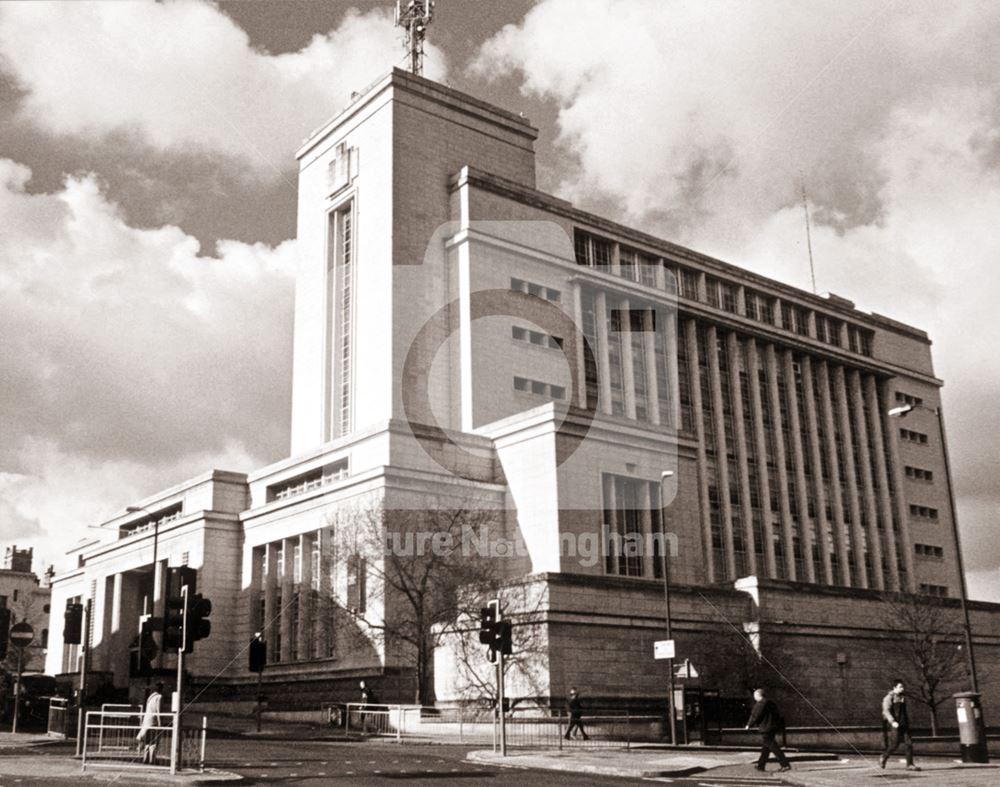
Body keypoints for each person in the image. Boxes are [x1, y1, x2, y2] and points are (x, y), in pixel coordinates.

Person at [745, 688, 791, 773]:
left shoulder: (760, 703)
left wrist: (749, 725)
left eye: (755, 696)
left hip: (765, 728)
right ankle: (760, 765)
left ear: (758, 695)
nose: (754, 698)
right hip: (772, 727)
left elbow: (755, 715)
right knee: (766, 747)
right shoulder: (771, 703)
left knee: (773, 746)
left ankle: (785, 764)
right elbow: (778, 715)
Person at [880, 679, 920, 771]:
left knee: (909, 743)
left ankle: (910, 764)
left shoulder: (902, 697)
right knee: (894, 744)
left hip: (904, 724)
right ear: (894, 688)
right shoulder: (889, 698)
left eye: (903, 687)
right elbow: (886, 711)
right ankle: (883, 757)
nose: (902, 689)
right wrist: (892, 721)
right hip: (895, 724)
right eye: (900, 687)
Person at [136, 682, 164, 764]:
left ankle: (145, 758)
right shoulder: (159, 697)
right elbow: (158, 711)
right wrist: (160, 723)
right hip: (153, 721)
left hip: (147, 721)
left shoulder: (150, 698)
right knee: (154, 741)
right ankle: (152, 759)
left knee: (147, 741)